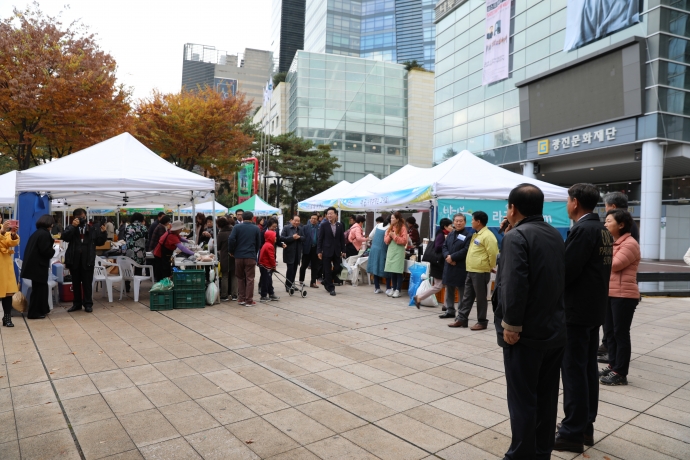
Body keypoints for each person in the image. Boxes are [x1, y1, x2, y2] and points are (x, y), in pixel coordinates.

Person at [493, 184, 567, 460]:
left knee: (523, 398)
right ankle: (541, 450)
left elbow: (514, 285)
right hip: (554, 329)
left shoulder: (517, 238)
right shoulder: (555, 234)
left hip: (526, 334)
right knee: (547, 396)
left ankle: (521, 454)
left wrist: (511, 325)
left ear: (512, 208)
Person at [555, 183, 612, 453]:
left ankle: (571, 433)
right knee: (587, 369)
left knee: (574, 371)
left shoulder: (583, 230)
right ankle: (585, 426)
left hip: (576, 312)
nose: (566, 205)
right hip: (593, 310)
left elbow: (567, 271)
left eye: (567, 200)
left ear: (575, 202)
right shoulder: (601, 229)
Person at [600, 209, 640, 386]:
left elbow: (614, 265)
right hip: (611, 293)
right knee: (610, 333)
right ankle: (613, 365)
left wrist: (600, 254)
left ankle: (620, 372)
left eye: (609, 221)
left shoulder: (629, 243)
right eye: (605, 221)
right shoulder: (614, 243)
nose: (605, 224)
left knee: (620, 333)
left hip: (624, 296)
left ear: (621, 225)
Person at [449, 211, 498, 330]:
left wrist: (490, 266)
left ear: (478, 222)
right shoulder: (477, 234)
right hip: (471, 269)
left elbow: (493, 254)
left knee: (481, 298)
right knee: (467, 296)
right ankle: (462, 319)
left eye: (472, 220)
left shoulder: (488, 236)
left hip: (481, 271)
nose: (471, 222)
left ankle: (482, 321)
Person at [63, 209, 107, 313]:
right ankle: (76, 304)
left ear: (86, 217)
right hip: (74, 260)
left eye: (82, 217)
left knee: (87, 283)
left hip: (88, 259)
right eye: (78, 217)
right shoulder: (71, 228)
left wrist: (104, 232)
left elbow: (99, 242)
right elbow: (65, 237)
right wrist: (72, 226)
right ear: (74, 218)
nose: (81, 219)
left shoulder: (92, 229)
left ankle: (88, 304)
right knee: (76, 283)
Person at [440, 214, 474, 320]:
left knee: (462, 291)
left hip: (460, 266)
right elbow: (444, 246)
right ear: (453, 222)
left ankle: (461, 313)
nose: (458, 223)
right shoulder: (451, 234)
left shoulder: (468, 235)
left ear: (465, 222)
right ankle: (450, 310)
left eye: (461, 221)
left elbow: (466, 250)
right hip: (449, 266)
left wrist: (453, 257)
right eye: (456, 221)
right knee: (449, 288)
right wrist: (447, 257)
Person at [21, 215, 55, 320]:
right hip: (38, 267)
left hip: (34, 266)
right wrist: (52, 250)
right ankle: (35, 312)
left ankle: (43, 309)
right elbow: (45, 251)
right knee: (39, 290)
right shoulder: (44, 234)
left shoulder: (37, 233)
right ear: (49, 224)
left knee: (40, 289)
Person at [415, 217, 452, 309]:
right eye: (450, 225)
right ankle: (419, 297)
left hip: (443, 264)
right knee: (438, 286)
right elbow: (437, 247)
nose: (452, 227)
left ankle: (446, 305)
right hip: (438, 264)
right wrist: (446, 241)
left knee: (448, 284)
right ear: (445, 227)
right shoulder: (441, 235)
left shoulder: (447, 234)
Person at [228, 210, 261, 306]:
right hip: (250, 255)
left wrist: (231, 251)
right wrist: (254, 253)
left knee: (240, 277)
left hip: (238, 256)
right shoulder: (256, 228)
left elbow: (231, 239)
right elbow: (258, 243)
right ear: (252, 218)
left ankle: (241, 298)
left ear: (242, 218)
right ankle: (249, 300)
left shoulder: (237, 227)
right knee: (250, 278)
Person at [318, 206, 346, 296]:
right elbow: (320, 239)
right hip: (326, 250)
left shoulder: (340, 225)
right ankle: (331, 288)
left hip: (337, 251)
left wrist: (343, 250)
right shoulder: (323, 225)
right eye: (328, 214)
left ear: (335, 215)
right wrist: (319, 251)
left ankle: (326, 281)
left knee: (338, 268)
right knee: (327, 270)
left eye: (331, 213)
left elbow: (342, 239)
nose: (329, 215)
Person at [0, 217, 19, 326]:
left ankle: (7, 317)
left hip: (4, 266)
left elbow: (12, 243)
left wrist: (12, 234)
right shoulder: (3, 231)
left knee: (8, 293)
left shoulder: (6, 231)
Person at [384, 211, 408, 298]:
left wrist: (394, 236)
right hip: (391, 251)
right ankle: (393, 288)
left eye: (393, 218)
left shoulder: (403, 228)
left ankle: (398, 289)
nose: (391, 219)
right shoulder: (390, 228)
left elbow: (404, 241)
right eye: (391, 218)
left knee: (398, 271)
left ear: (397, 219)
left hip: (398, 252)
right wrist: (390, 236)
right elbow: (386, 241)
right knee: (392, 271)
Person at [124, 213, 148, 292]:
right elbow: (147, 238)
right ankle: (137, 287)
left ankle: (127, 286)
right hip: (139, 251)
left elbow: (125, 237)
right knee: (138, 269)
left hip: (129, 251)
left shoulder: (128, 227)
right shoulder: (143, 227)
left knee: (128, 269)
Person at [368, 216, 392, 294]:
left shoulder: (378, 225)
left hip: (374, 248)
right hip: (383, 249)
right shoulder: (390, 227)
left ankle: (377, 287)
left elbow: (370, 236)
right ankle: (388, 288)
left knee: (376, 267)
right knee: (387, 268)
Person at [217, 217, 237, 302]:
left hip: (225, 256)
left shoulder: (221, 234)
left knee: (225, 275)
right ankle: (234, 295)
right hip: (235, 255)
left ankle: (224, 295)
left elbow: (218, 247)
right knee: (234, 275)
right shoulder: (234, 230)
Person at [280, 215, 303, 290]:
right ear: (291, 220)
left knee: (295, 269)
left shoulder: (300, 229)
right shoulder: (286, 228)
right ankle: (288, 285)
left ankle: (292, 284)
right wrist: (292, 237)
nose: (297, 222)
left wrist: (299, 237)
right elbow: (282, 238)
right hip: (289, 252)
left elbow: (304, 238)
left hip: (297, 252)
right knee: (290, 269)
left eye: (298, 221)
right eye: (295, 220)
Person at [299, 213, 321, 289]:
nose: (313, 220)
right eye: (312, 218)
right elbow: (302, 237)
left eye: (315, 218)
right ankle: (301, 281)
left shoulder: (319, 228)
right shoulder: (305, 227)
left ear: (317, 220)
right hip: (307, 249)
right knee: (303, 266)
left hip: (316, 249)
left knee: (315, 267)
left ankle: (313, 282)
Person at [259, 230, 280, 302]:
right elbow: (271, 257)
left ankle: (271, 293)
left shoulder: (266, 244)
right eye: (274, 237)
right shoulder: (269, 246)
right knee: (265, 281)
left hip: (264, 265)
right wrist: (274, 265)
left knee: (269, 280)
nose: (276, 238)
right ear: (270, 237)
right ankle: (263, 295)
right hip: (266, 266)